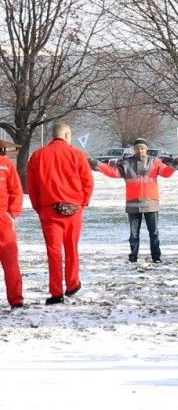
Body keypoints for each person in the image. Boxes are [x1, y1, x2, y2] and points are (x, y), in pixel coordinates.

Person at [27, 123, 94, 305]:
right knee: (72, 247)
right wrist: (83, 203)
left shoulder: (38, 155)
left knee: (54, 252)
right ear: (67, 134)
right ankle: (73, 283)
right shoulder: (77, 155)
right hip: (74, 208)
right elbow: (87, 182)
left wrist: (38, 207)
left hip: (49, 209)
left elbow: (31, 186)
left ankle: (56, 292)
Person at [94, 138, 177, 263]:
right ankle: (133, 256)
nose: (140, 150)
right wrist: (98, 165)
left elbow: (166, 172)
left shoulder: (155, 162)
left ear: (146, 149)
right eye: (137, 148)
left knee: (154, 233)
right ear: (134, 149)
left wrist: (174, 165)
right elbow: (113, 172)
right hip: (133, 203)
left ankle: (156, 257)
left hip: (151, 203)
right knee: (134, 234)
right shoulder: (126, 163)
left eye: (142, 148)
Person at [0, 145, 24, 308]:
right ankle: (16, 299)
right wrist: (12, 213)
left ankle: (16, 298)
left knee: (10, 261)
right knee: (10, 260)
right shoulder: (6, 165)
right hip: (4, 218)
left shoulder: (6, 165)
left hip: (3, 217)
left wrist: (12, 213)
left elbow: (16, 190)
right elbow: (16, 190)